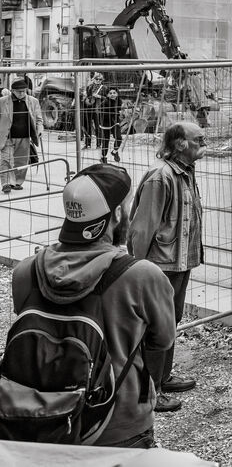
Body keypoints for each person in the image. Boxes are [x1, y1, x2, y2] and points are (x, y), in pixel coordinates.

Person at [8, 164, 175, 448]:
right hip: (119, 426)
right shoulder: (142, 276)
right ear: (119, 214)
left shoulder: (25, 273)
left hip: (40, 420)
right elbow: (162, 341)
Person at [128, 122, 206, 409]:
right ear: (180, 144)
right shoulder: (161, 178)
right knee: (156, 327)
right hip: (160, 266)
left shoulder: (185, 173)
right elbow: (141, 227)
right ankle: (149, 391)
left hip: (179, 262)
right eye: (198, 138)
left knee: (170, 321)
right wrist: (137, 270)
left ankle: (162, 376)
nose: (203, 141)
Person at [0, 78, 42, 194]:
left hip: (25, 136)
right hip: (7, 136)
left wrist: (39, 130)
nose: (22, 93)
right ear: (12, 91)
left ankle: (17, 182)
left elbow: (39, 119)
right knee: (6, 160)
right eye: (19, 92)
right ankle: (6, 183)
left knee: (22, 161)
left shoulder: (33, 101)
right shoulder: (2, 101)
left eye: (24, 91)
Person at [96, 86, 125, 163]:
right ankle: (103, 157)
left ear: (117, 94)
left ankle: (114, 151)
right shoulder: (105, 102)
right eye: (110, 93)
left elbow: (118, 110)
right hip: (105, 122)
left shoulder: (119, 101)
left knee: (118, 137)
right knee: (106, 141)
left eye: (114, 93)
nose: (112, 94)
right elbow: (101, 113)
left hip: (115, 122)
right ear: (107, 95)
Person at [81, 72, 105, 149]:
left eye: (100, 79)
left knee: (98, 127)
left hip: (98, 109)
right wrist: (85, 98)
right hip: (89, 108)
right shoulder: (89, 87)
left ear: (102, 80)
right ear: (93, 79)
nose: (98, 80)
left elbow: (107, 98)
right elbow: (88, 97)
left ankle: (98, 144)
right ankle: (87, 144)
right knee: (88, 126)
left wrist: (99, 96)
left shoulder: (104, 88)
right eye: (96, 79)